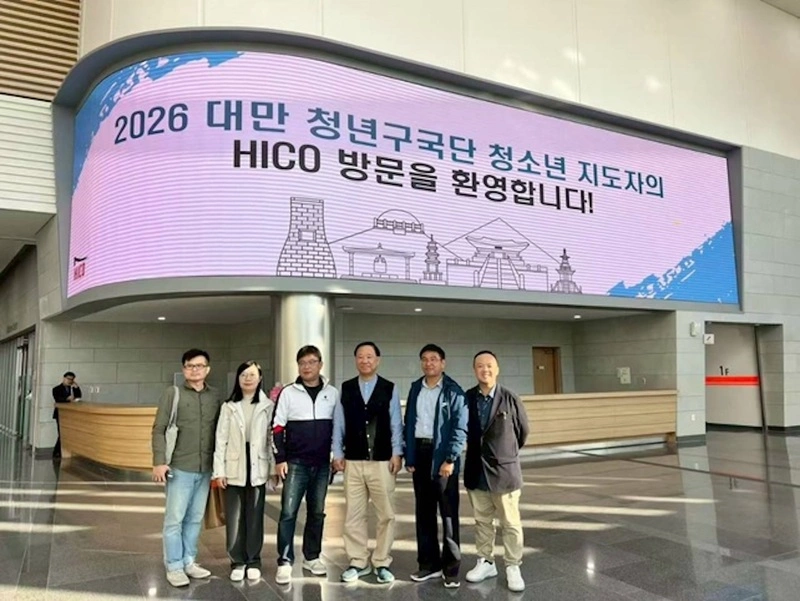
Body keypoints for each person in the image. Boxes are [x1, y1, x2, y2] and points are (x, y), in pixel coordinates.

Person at [332, 341, 403, 584]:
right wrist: (337, 453)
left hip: (382, 461)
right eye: (360, 357)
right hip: (353, 461)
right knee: (354, 515)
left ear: (377, 360)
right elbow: (339, 423)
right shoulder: (346, 388)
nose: (365, 360)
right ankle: (358, 561)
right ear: (355, 360)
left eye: (369, 356)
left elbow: (396, 422)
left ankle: (382, 562)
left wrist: (397, 452)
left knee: (386, 515)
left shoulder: (389, 388)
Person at [151, 349, 222, 588]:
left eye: (199, 366)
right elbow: (159, 429)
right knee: (175, 519)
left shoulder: (215, 396)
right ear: (184, 369)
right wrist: (159, 462)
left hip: (206, 468)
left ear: (207, 369)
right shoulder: (173, 394)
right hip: (179, 467)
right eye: (190, 366)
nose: (195, 370)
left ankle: (189, 561)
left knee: (195, 519)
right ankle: (174, 565)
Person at [463, 350, 530, 593]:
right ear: (474, 370)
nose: (485, 370)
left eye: (489, 365)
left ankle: (512, 565)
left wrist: (505, 454)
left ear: (497, 369)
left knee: (510, 522)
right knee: (482, 520)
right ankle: (486, 561)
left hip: (504, 472)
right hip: (476, 470)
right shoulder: (467, 397)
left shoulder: (510, 398)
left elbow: (523, 431)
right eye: (480, 366)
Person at [272, 345, 339, 585]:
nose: (307, 367)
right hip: (295, 464)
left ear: (320, 364)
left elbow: (338, 428)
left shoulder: (332, 393)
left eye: (311, 362)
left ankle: (312, 556)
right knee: (288, 512)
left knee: (317, 512)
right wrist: (280, 459)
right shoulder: (288, 393)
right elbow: (277, 427)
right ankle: (285, 560)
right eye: (302, 363)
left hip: (322, 464)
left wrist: (337, 455)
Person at [403, 343, 467, 588]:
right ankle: (428, 565)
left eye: (433, 359)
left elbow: (460, 427)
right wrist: (410, 456)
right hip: (420, 453)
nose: (428, 363)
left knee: (448, 513)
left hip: (443, 456)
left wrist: (450, 458)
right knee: (424, 512)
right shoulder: (415, 388)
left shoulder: (453, 391)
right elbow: (410, 422)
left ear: (443, 363)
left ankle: (451, 569)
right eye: (424, 359)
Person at [213, 361, 276, 582]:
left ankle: (253, 560)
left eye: (252, 375)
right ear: (237, 379)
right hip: (234, 465)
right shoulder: (228, 406)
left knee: (255, 515)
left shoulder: (268, 406)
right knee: (235, 516)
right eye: (243, 375)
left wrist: (272, 468)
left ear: (260, 379)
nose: (247, 379)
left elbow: (271, 439)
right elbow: (220, 440)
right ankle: (237, 561)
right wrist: (219, 471)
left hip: (258, 463)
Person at [52, 371, 82, 459]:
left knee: (67, 433)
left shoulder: (72, 388)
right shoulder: (56, 389)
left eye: (72, 380)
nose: (69, 381)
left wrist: (76, 388)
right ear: (64, 378)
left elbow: (78, 397)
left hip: (70, 414)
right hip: (60, 414)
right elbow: (58, 399)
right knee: (61, 433)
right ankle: (57, 452)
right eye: (68, 379)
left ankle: (61, 451)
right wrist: (67, 399)